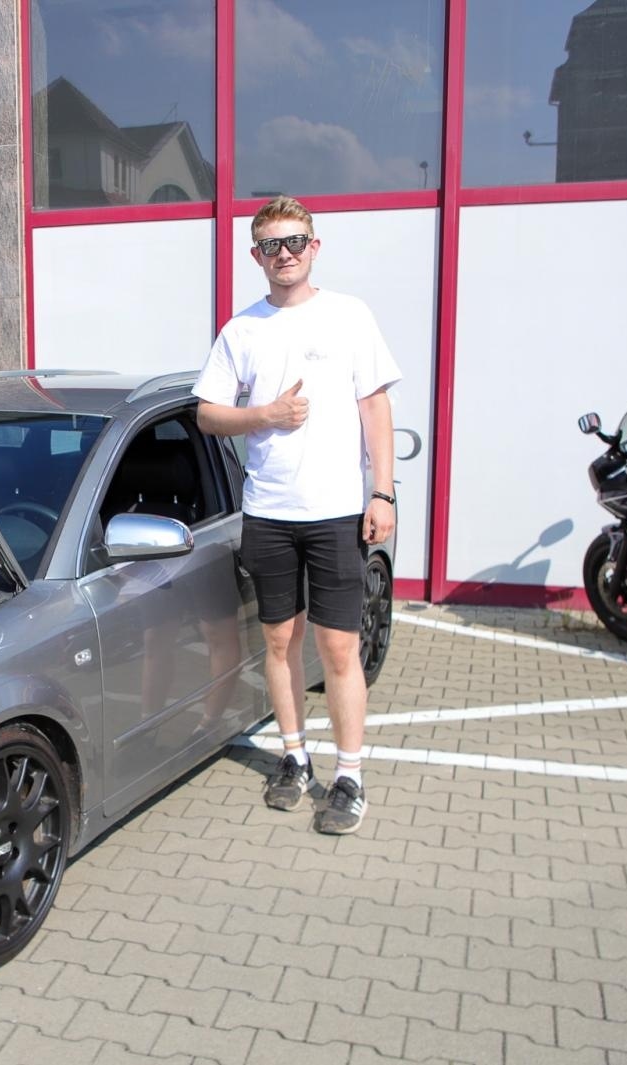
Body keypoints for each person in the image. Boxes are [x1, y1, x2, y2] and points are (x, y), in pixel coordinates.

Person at [192, 195, 400, 836]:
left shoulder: (349, 317)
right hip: (270, 513)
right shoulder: (241, 330)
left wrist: (383, 494)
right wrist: (265, 416)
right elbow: (208, 413)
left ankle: (350, 777)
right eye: (270, 245)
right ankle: (293, 757)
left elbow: (375, 411)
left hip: (336, 512)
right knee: (278, 641)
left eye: (294, 242)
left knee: (339, 647)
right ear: (255, 256)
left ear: (314, 247)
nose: (283, 254)